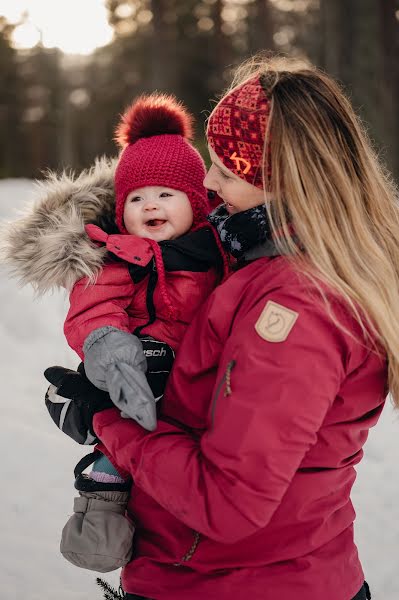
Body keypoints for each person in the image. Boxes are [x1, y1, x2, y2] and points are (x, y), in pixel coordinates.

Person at [42, 53, 399, 599]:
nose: (208, 182)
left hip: (232, 583)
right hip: (267, 573)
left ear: (281, 182)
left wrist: (105, 421)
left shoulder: (295, 307)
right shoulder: (257, 256)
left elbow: (227, 501)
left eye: (226, 172)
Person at [1, 93, 226, 572]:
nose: (151, 206)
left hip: (200, 384)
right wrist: (108, 344)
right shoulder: (118, 256)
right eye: (137, 198)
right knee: (112, 459)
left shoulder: (221, 254)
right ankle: (99, 516)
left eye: (166, 194)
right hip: (134, 369)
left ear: (198, 202)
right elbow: (93, 307)